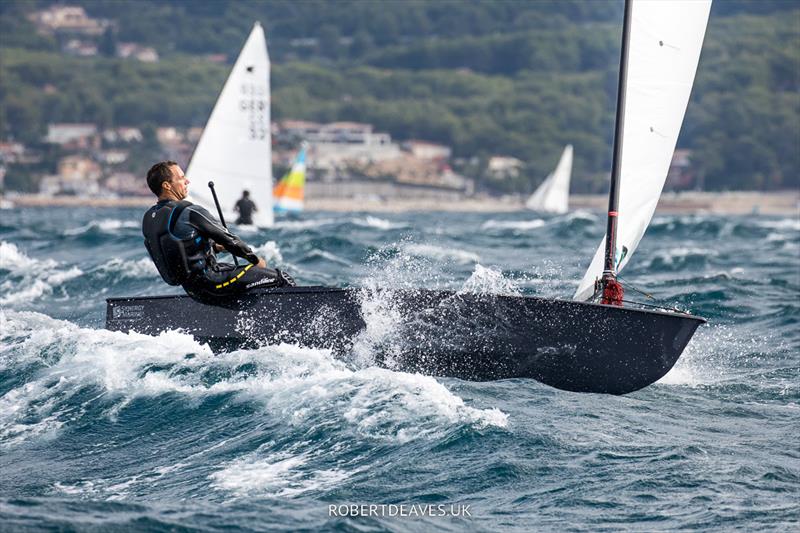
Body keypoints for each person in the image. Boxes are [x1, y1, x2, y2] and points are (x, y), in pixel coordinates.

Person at [141, 161, 295, 301]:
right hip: (213, 283)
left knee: (242, 275)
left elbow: (179, 251)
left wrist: (214, 248)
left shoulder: (149, 219)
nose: (187, 181)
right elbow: (229, 240)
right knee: (282, 278)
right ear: (167, 185)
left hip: (193, 291)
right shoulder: (189, 211)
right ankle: (303, 323)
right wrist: (255, 260)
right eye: (181, 178)